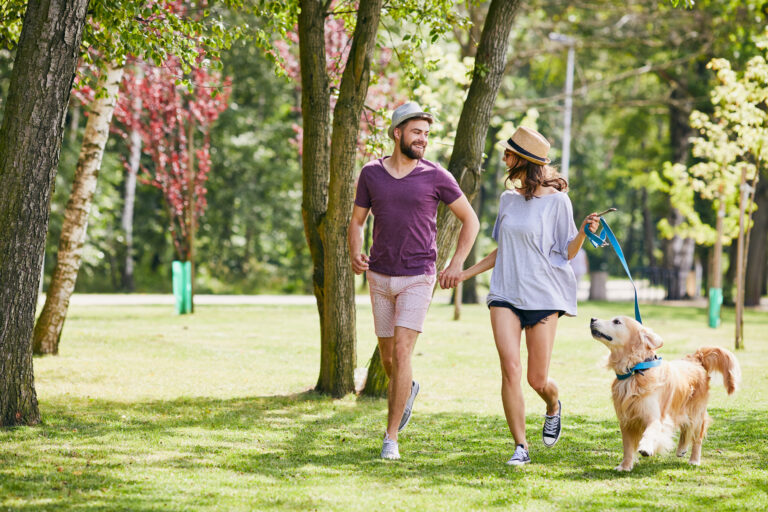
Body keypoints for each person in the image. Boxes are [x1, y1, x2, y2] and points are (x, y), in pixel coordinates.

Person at [441, 126, 598, 466]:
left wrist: (583, 232)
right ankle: (521, 447)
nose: (504, 158)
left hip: (543, 295)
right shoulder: (507, 199)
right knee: (510, 369)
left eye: (510, 153)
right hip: (505, 293)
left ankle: (553, 405)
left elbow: (566, 253)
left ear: (525, 161)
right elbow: (503, 250)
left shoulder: (558, 202)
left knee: (536, 378)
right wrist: (464, 273)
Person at [348, 102, 479, 460]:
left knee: (403, 352)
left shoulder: (436, 176)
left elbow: (471, 221)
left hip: (418, 276)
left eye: (426, 133)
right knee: (390, 358)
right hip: (378, 275)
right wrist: (355, 251)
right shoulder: (371, 174)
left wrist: (456, 263)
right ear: (397, 133)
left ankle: (390, 437)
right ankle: (409, 388)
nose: (423, 139)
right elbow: (357, 221)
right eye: (416, 132)